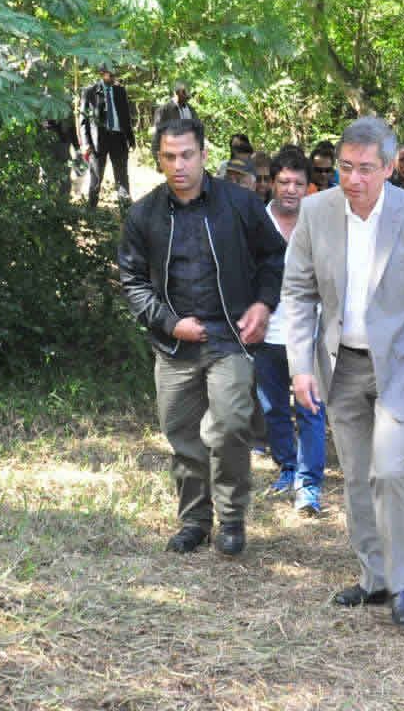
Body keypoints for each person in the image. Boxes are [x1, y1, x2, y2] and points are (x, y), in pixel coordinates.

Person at [282, 116, 404, 627]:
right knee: (357, 476)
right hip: (339, 367)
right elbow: (297, 293)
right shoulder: (316, 212)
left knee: (390, 470)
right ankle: (374, 578)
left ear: (388, 168)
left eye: (365, 169)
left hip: (402, 366)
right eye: (345, 168)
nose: (353, 179)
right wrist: (300, 368)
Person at [117, 117, 284, 557]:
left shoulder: (239, 205)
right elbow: (132, 281)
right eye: (169, 157)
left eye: (187, 155)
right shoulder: (144, 214)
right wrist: (169, 323)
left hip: (228, 336)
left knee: (228, 425)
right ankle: (194, 521)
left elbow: (274, 258)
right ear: (159, 159)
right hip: (174, 345)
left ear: (204, 155)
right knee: (184, 436)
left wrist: (263, 304)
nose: (179, 165)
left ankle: (231, 519)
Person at [254, 147, 328, 516]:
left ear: (308, 186)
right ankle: (287, 467)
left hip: (310, 334)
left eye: (298, 183)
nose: (290, 190)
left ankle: (309, 484)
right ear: (270, 183)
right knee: (273, 408)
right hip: (266, 333)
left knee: (312, 409)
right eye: (283, 181)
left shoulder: (318, 223)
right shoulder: (256, 222)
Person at [79, 62, 135, 209]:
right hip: (98, 140)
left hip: (119, 138)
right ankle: (91, 211)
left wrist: (131, 138)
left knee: (122, 177)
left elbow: (126, 116)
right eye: (110, 74)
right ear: (102, 73)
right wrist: (86, 143)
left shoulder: (120, 91)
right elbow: (83, 120)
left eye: (114, 74)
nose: (113, 77)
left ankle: (126, 210)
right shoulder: (89, 92)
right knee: (96, 178)